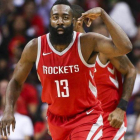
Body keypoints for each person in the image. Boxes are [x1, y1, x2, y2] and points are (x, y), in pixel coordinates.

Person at [0, 0, 132, 140]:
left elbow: (125, 47)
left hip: (86, 117)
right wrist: (8, 110)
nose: (60, 21)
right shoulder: (35, 47)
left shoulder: (87, 42)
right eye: (56, 17)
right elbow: (15, 81)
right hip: (56, 121)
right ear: (50, 20)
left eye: (65, 17)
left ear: (72, 21)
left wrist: (103, 15)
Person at [72, 4, 136, 140]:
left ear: (77, 22)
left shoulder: (101, 47)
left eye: (64, 19)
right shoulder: (63, 56)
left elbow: (131, 70)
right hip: (82, 126)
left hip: (109, 124)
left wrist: (121, 108)